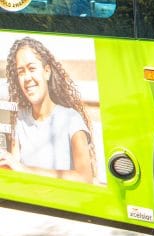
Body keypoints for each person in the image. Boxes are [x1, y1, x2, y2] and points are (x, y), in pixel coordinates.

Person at [0, 37, 95, 183]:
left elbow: (85, 177)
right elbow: (13, 168)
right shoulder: (19, 119)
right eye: (21, 72)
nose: (27, 78)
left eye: (32, 68)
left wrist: (23, 169)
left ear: (47, 72)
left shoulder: (72, 119)